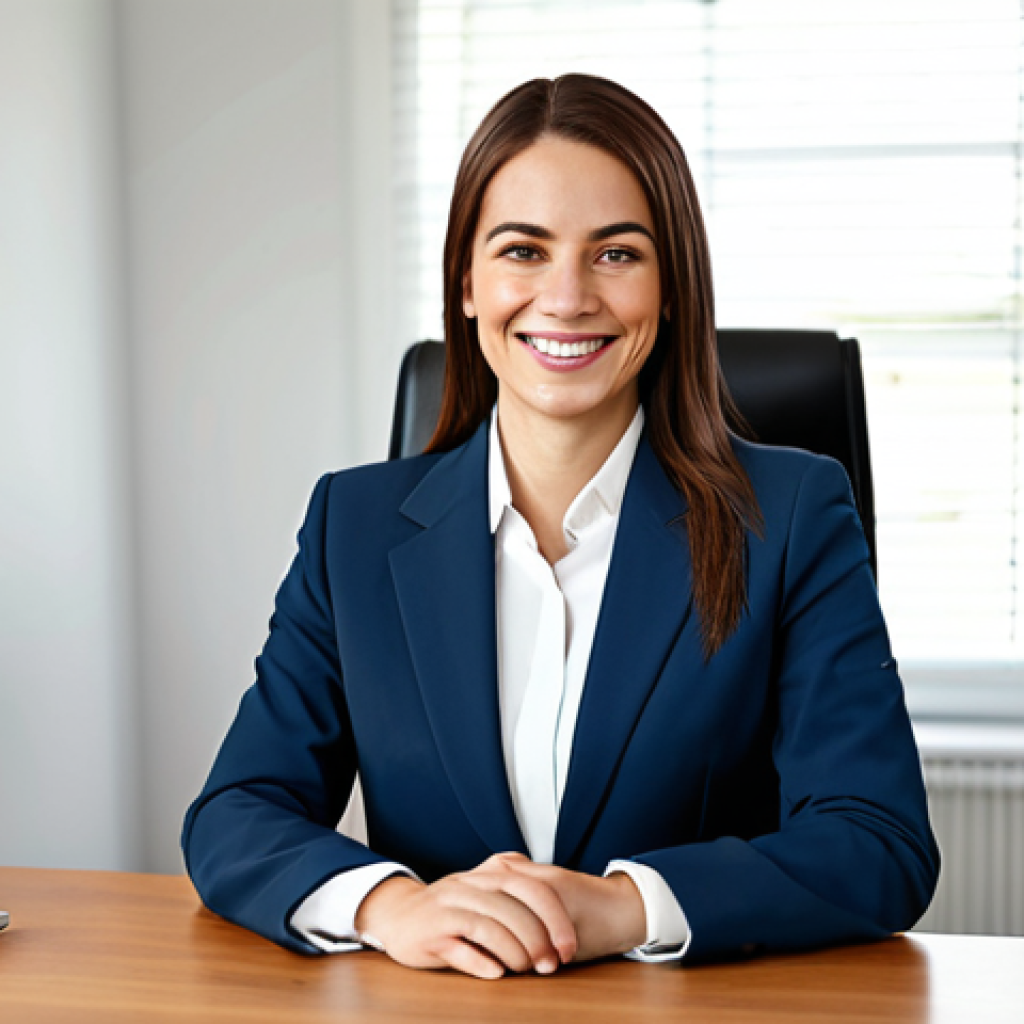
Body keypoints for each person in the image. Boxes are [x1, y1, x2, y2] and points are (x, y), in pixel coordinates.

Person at [182, 74, 939, 979]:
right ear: (467, 282)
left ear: (672, 286)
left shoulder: (790, 517)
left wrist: (625, 906)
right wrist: (394, 907)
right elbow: (236, 813)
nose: (568, 297)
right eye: (523, 250)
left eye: (616, 253)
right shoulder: (355, 529)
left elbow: (878, 839)